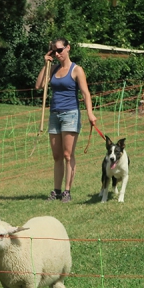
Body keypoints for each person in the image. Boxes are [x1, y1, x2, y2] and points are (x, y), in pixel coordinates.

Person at [35, 38, 98, 202]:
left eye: (60, 50)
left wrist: (90, 114)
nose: (57, 54)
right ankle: (56, 190)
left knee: (67, 154)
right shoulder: (53, 68)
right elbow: (39, 85)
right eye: (54, 51)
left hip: (70, 114)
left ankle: (67, 191)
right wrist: (45, 63)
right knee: (57, 156)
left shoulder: (76, 70)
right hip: (54, 114)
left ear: (68, 48)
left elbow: (85, 94)